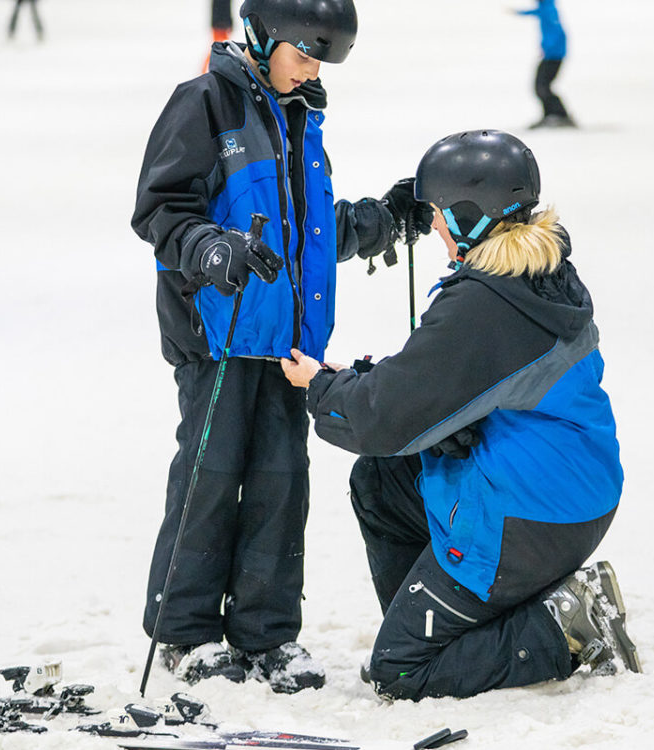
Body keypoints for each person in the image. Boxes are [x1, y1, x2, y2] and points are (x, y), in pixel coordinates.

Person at [130, 0, 429, 694]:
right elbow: (161, 208)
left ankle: (266, 634)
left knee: (281, 484)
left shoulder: (300, 116)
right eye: (303, 54)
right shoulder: (205, 103)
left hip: (288, 344)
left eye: (323, 59)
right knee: (210, 480)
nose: (312, 70)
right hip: (219, 334)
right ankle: (186, 633)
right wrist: (210, 248)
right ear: (263, 35)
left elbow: (310, 230)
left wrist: (383, 221)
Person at [281, 130, 639, 700]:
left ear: (471, 215)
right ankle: (446, 623)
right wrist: (370, 381)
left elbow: (383, 419)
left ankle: (561, 627)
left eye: (440, 213)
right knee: (382, 481)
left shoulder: (486, 302)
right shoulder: (532, 271)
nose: (433, 226)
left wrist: (322, 386)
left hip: (533, 514)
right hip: (569, 489)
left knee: (399, 672)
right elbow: (449, 379)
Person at [518, 0, 576, 128]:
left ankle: (559, 115)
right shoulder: (545, 7)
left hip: (554, 56)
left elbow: (559, 33)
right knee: (541, 87)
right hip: (551, 55)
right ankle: (551, 115)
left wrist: (550, 48)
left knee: (542, 87)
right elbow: (537, 12)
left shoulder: (549, 10)